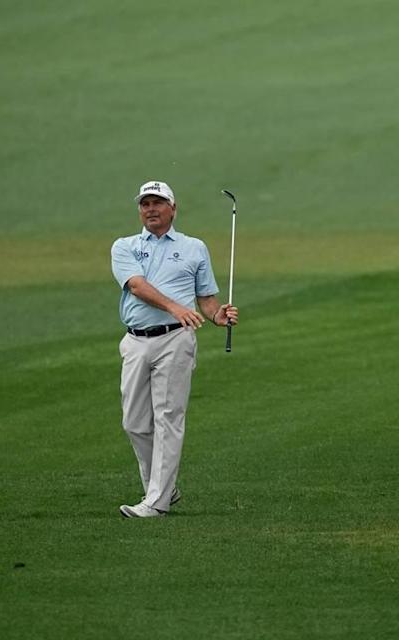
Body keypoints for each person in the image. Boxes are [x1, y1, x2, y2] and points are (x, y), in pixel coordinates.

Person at [111, 181, 239, 517]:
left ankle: (156, 502)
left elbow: (207, 300)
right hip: (136, 340)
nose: (150, 209)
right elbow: (136, 286)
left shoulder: (194, 247)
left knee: (168, 418)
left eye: (157, 202)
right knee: (134, 422)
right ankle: (164, 486)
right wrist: (174, 307)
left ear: (173, 208)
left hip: (176, 340)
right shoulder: (124, 246)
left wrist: (218, 316)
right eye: (145, 204)